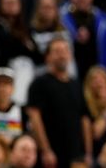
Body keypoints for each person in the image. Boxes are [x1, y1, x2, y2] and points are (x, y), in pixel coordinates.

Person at [26, 36, 92, 168]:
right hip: (51, 156)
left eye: (65, 50)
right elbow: (34, 117)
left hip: (76, 155)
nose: (62, 55)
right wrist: (45, 150)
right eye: (57, 51)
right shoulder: (39, 83)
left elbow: (84, 119)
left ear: (70, 55)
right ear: (48, 57)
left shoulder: (76, 85)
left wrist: (88, 152)